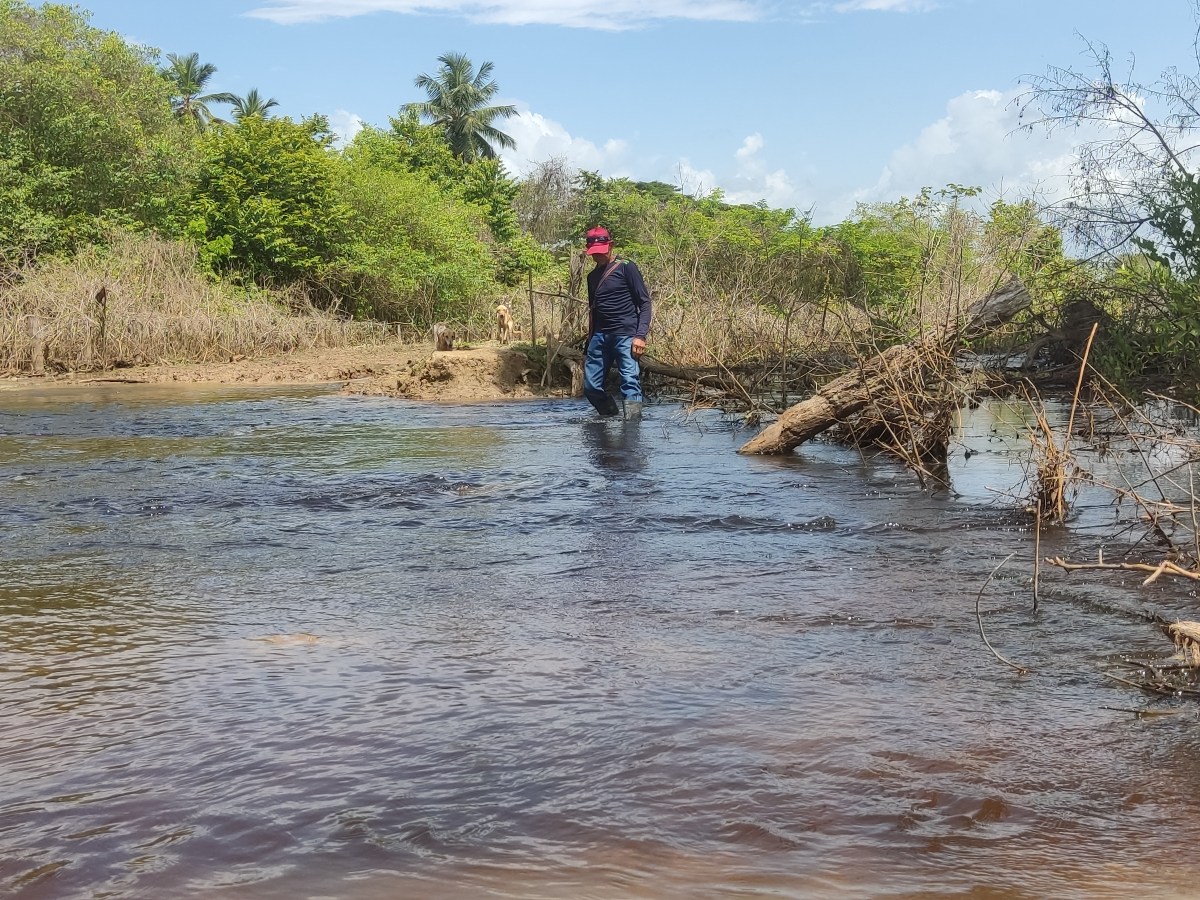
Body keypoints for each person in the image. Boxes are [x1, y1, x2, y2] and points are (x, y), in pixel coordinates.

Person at [583, 226, 652, 421]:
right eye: (594, 253)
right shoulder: (592, 277)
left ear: (610, 245)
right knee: (590, 387)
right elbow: (593, 311)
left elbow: (644, 302)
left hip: (627, 336)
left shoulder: (626, 266)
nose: (598, 256)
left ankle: (631, 431)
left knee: (630, 382)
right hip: (599, 337)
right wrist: (588, 344)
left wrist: (640, 336)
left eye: (602, 252)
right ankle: (610, 416)